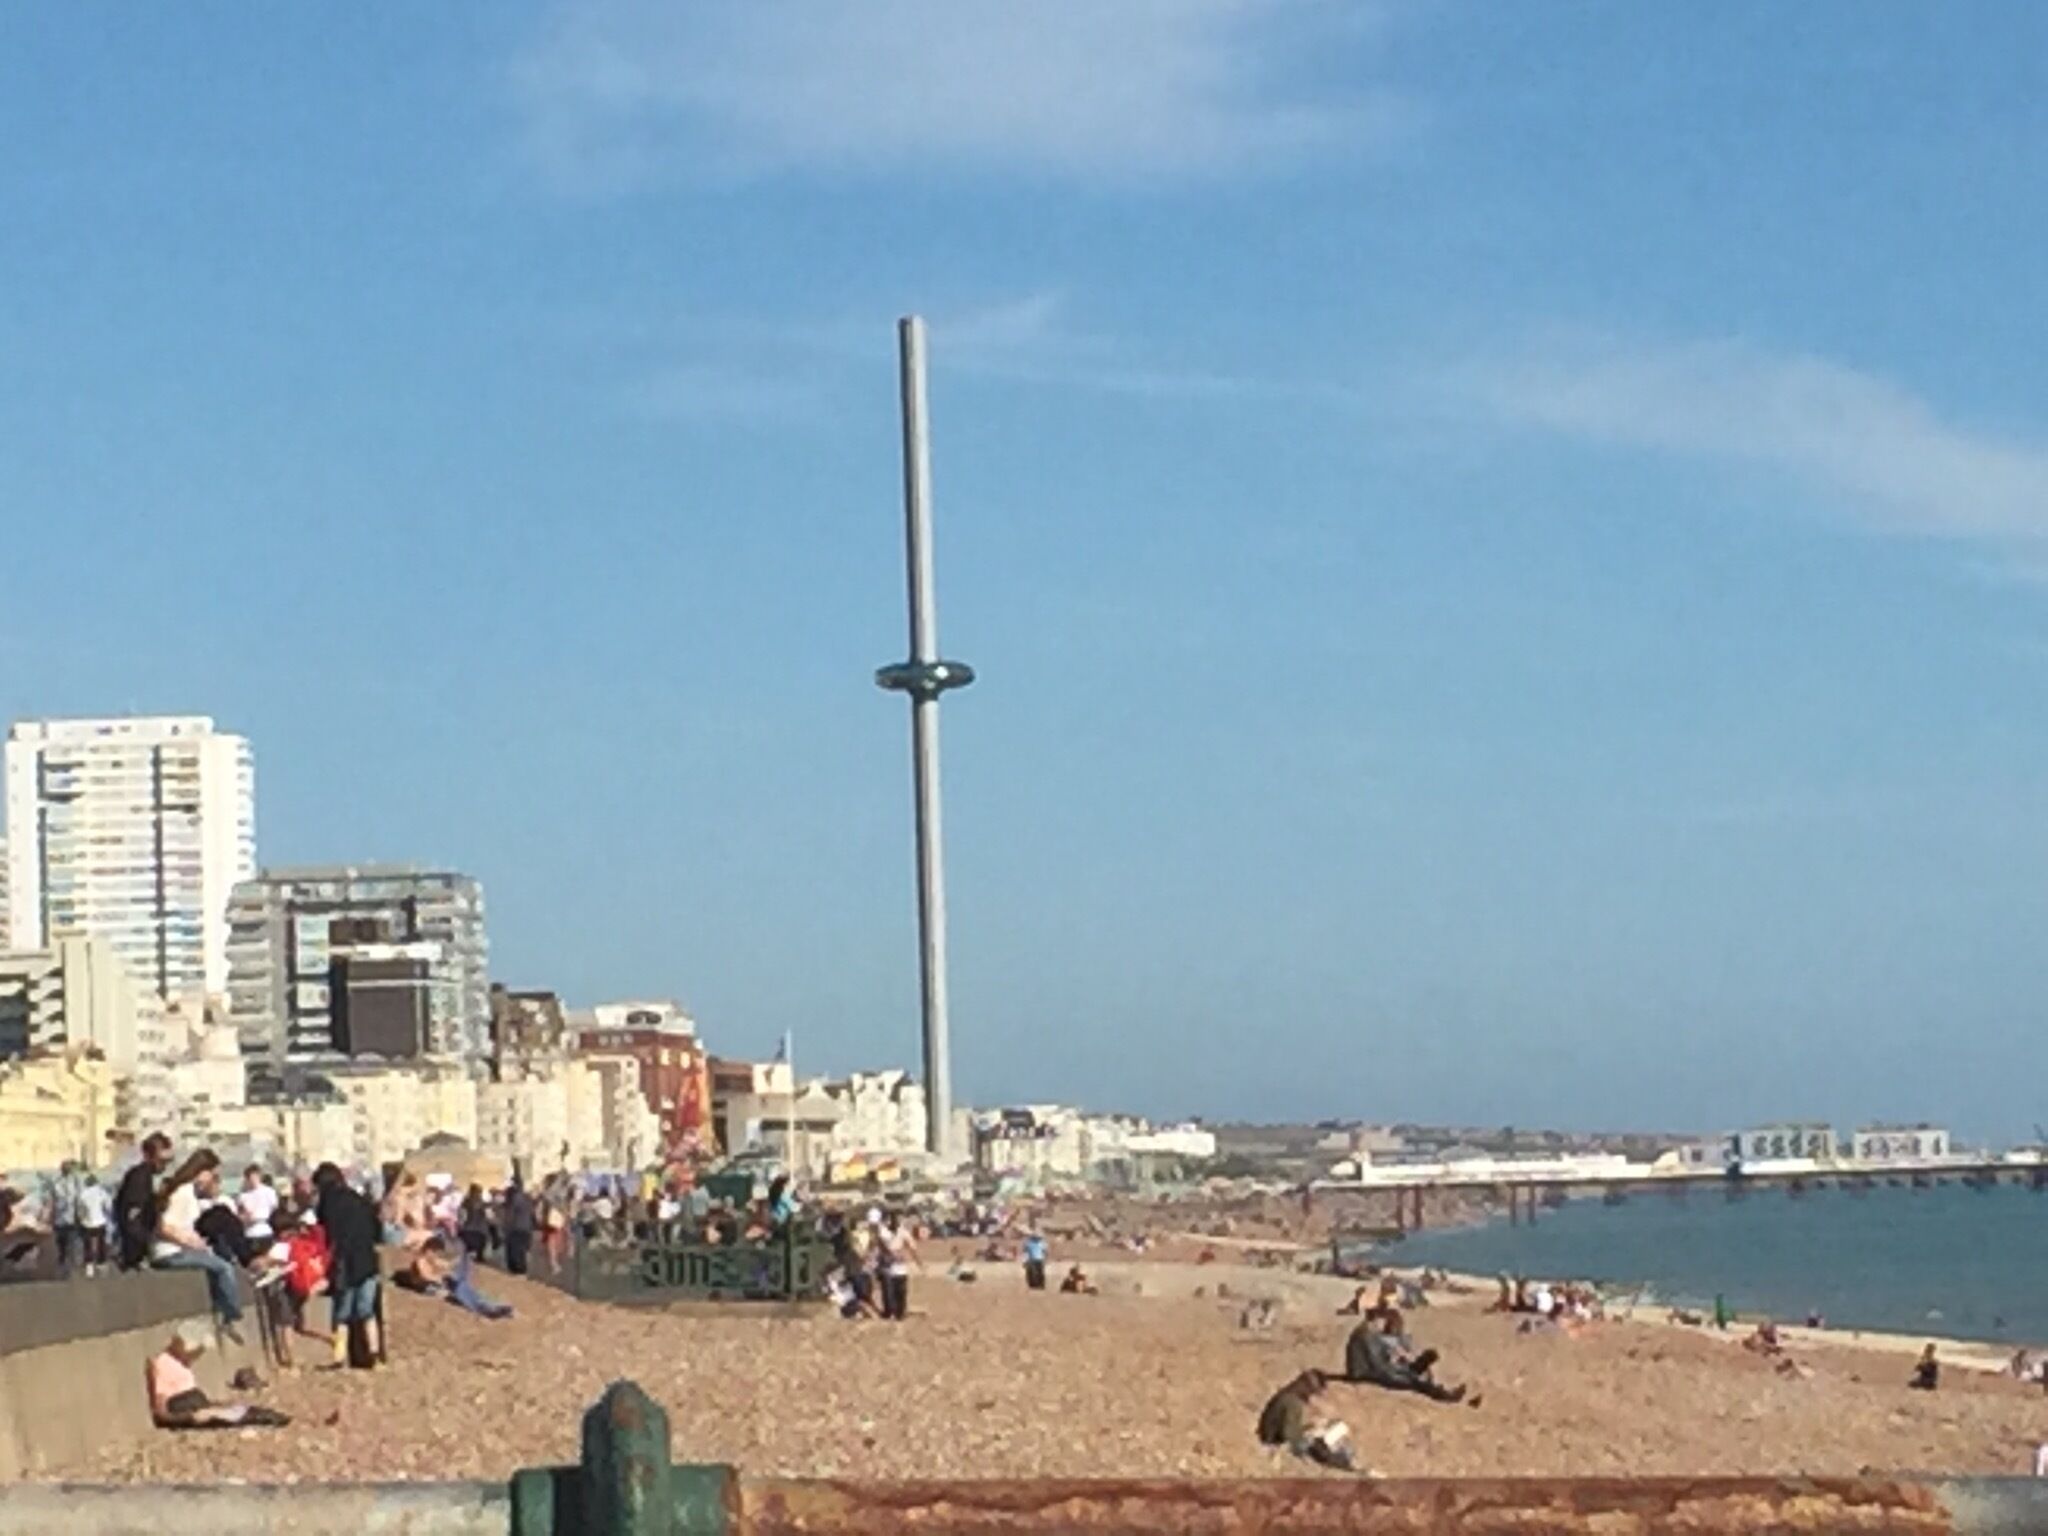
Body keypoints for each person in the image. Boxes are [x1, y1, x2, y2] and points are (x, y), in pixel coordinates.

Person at [149, 1151, 244, 1332]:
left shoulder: (186, 1191)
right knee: (224, 1268)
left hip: (175, 1250)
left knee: (215, 1264)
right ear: (202, 1171)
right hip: (170, 1253)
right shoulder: (183, 1192)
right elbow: (164, 1227)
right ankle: (232, 1313)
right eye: (212, 1174)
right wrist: (190, 1243)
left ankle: (221, 1309)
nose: (212, 1179)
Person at [148, 1324, 290, 1429]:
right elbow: (161, 1409)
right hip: (185, 1408)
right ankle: (270, 1418)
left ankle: (270, 1417)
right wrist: (188, 1417)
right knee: (238, 1417)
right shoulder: (162, 1363)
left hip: (195, 1405)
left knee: (240, 1411)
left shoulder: (179, 1363)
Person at [314, 1162, 382, 1367]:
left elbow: (327, 1235)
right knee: (367, 1311)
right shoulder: (359, 1200)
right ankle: (375, 1355)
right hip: (367, 1259)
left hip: (344, 1262)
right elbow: (377, 1229)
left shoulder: (328, 1203)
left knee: (342, 1313)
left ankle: (339, 1357)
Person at [1346, 1309, 1472, 1405]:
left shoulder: (1365, 1334)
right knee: (1413, 1381)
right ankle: (1443, 1394)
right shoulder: (1366, 1336)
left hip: (1365, 1372)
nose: (1382, 1326)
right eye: (1382, 1321)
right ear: (1375, 1320)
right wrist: (1397, 1368)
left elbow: (1377, 1360)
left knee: (1412, 1377)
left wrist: (1395, 1362)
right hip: (1363, 1375)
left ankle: (1420, 1372)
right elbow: (1378, 1366)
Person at [1255, 1370, 1356, 1470]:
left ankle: (1345, 1460)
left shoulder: (1287, 1395)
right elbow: (1291, 1434)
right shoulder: (1293, 1403)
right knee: (1332, 1434)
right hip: (1275, 1439)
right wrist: (1310, 1437)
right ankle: (1341, 1462)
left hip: (1272, 1434)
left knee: (1325, 1428)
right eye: (1312, 1391)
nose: (1311, 1395)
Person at [115, 1132, 173, 1271]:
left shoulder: (145, 1176)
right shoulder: (140, 1177)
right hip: (136, 1254)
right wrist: (143, 1248)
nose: (164, 1166)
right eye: (161, 1161)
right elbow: (132, 1216)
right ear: (148, 1156)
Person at [876, 1210, 918, 1322]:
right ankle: (890, 1312)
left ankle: (900, 1312)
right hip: (887, 1266)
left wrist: (914, 1258)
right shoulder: (883, 1231)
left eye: (898, 1220)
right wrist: (894, 1254)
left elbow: (912, 1246)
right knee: (888, 1291)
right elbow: (883, 1246)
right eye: (893, 1219)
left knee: (901, 1291)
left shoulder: (902, 1231)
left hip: (900, 1267)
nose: (896, 1222)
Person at [47, 1160, 86, 1278]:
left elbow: (79, 1199)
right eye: (66, 1168)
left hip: (71, 1218)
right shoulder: (56, 1182)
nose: (68, 1170)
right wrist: (51, 1217)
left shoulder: (75, 1181)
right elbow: (52, 1200)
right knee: (62, 1244)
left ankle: (70, 1268)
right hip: (61, 1219)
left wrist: (81, 1214)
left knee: (72, 1242)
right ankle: (63, 1265)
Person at [77, 1173, 112, 1275]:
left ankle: (89, 1265)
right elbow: (108, 1206)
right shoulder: (102, 1192)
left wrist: (81, 1218)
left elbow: (80, 1210)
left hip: (87, 1223)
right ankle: (101, 1263)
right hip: (100, 1221)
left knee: (87, 1244)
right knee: (101, 1243)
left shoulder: (83, 1194)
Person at [501, 1177, 536, 1276]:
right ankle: (521, 1271)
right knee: (522, 1252)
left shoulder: (516, 1198)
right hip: (526, 1228)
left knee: (515, 1252)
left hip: (516, 1228)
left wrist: (506, 1227)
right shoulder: (528, 1197)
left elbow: (511, 1214)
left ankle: (517, 1271)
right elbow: (532, 1214)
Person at [236, 1167, 279, 1247]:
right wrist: (244, 1218)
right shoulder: (243, 1195)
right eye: (249, 1177)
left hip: (265, 1229)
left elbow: (274, 1208)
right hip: (249, 1232)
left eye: (255, 1176)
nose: (252, 1180)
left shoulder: (269, 1192)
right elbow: (239, 1212)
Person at [458, 1183, 493, 1263]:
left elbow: (462, 1216)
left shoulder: (465, 1203)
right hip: (479, 1231)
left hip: (469, 1231)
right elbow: (489, 1217)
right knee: (477, 1255)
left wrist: (461, 1226)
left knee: (468, 1253)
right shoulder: (484, 1204)